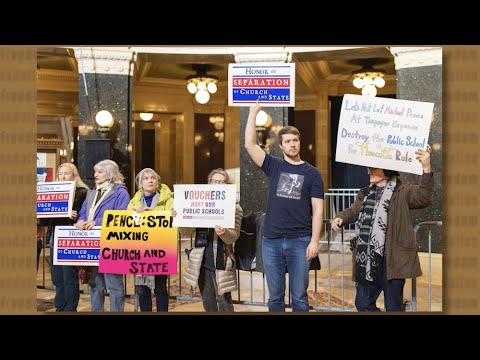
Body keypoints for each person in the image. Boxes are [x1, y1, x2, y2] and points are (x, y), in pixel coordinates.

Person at [244, 101, 324, 312]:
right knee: (275, 298)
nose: (292, 144)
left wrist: (315, 241)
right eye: (287, 141)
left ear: (299, 142)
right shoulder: (274, 166)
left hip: (301, 240)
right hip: (272, 241)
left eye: (295, 140)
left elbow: (318, 210)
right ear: (281, 146)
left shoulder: (312, 173)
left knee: (299, 298)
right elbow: (250, 145)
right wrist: (252, 113)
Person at [331, 148, 434, 312]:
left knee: (393, 307)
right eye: (368, 168)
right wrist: (341, 217)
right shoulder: (364, 193)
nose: (369, 172)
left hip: (393, 260)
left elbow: (423, 197)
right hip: (368, 259)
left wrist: (426, 169)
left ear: (387, 169)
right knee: (363, 304)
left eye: (374, 168)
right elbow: (353, 211)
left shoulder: (403, 190)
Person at [172, 168, 243, 312]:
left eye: (222, 182)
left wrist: (223, 233)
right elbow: (187, 231)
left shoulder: (235, 207)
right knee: (207, 300)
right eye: (215, 181)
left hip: (221, 261)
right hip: (201, 260)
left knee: (224, 302)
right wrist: (181, 217)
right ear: (209, 183)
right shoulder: (198, 203)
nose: (218, 184)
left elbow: (233, 236)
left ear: (227, 185)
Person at [75, 159, 130, 312]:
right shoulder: (92, 192)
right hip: (92, 244)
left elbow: (121, 216)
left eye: (99, 172)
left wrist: (97, 222)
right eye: (95, 172)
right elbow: (84, 212)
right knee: (95, 285)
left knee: (114, 286)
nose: (95, 175)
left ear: (110, 173)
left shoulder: (121, 192)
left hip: (111, 244)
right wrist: (80, 221)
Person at [38, 163, 89, 311]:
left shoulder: (81, 192)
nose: (63, 176)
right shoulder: (52, 192)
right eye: (61, 173)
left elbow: (84, 215)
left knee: (69, 277)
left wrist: (75, 215)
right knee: (57, 278)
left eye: (67, 173)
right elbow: (46, 221)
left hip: (70, 239)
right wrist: (42, 211)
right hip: (54, 238)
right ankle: (60, 307)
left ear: (74, 175)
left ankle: (70, 308)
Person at [127, 168, 174, 312]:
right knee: (142, 289)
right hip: (140, 249)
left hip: (160, 248)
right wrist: (134, 215)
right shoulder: (134, 200)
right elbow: (127, 222)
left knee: (160, 287)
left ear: (157, 181)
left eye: (153, 178)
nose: (150, 180)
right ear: (140, 183)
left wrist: (152, 214)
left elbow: (172, 220)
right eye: (146, 178)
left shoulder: (168, 199)